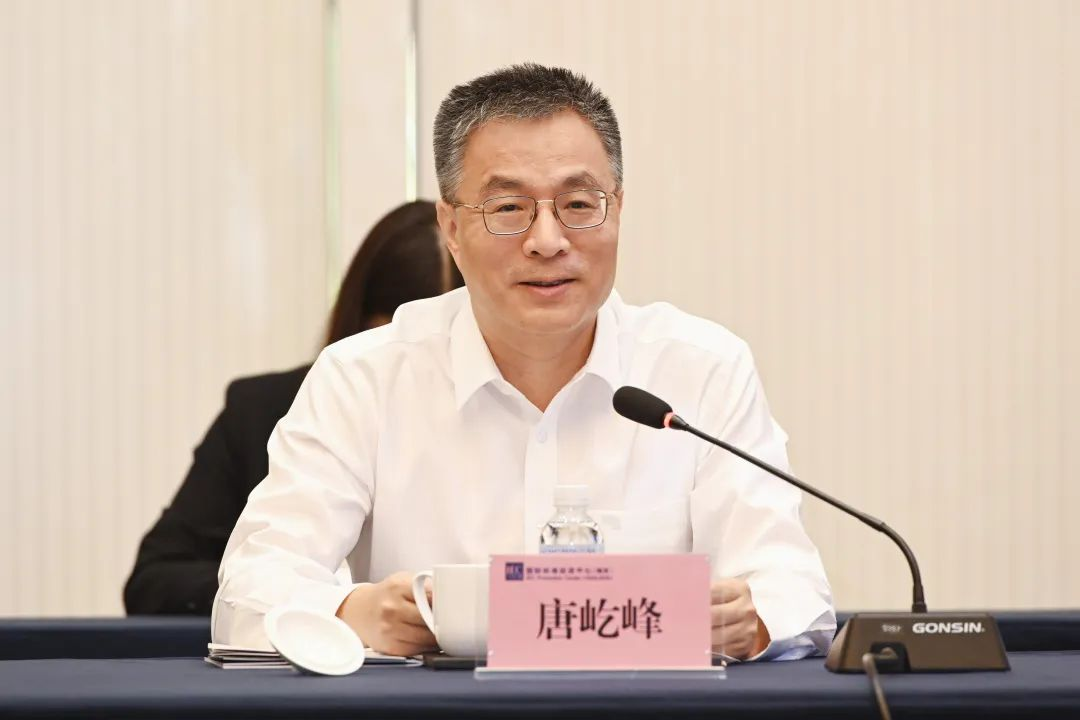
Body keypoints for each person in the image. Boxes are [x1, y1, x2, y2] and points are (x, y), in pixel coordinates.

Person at [213, 64, 835, 661]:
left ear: (618, 210)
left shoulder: (702, 370)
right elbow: (251, 590)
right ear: (451, 229)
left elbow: (792, 586)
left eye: (578, 204)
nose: (547, 241)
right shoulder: (364, 377)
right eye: (508, 209)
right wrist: (355, 612)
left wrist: (749, 620)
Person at [124, 200, 463, 615]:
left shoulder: (506, 410)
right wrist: (290, 588)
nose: (418, 350)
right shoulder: (267, 409)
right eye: (395, 333)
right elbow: (156, 579)